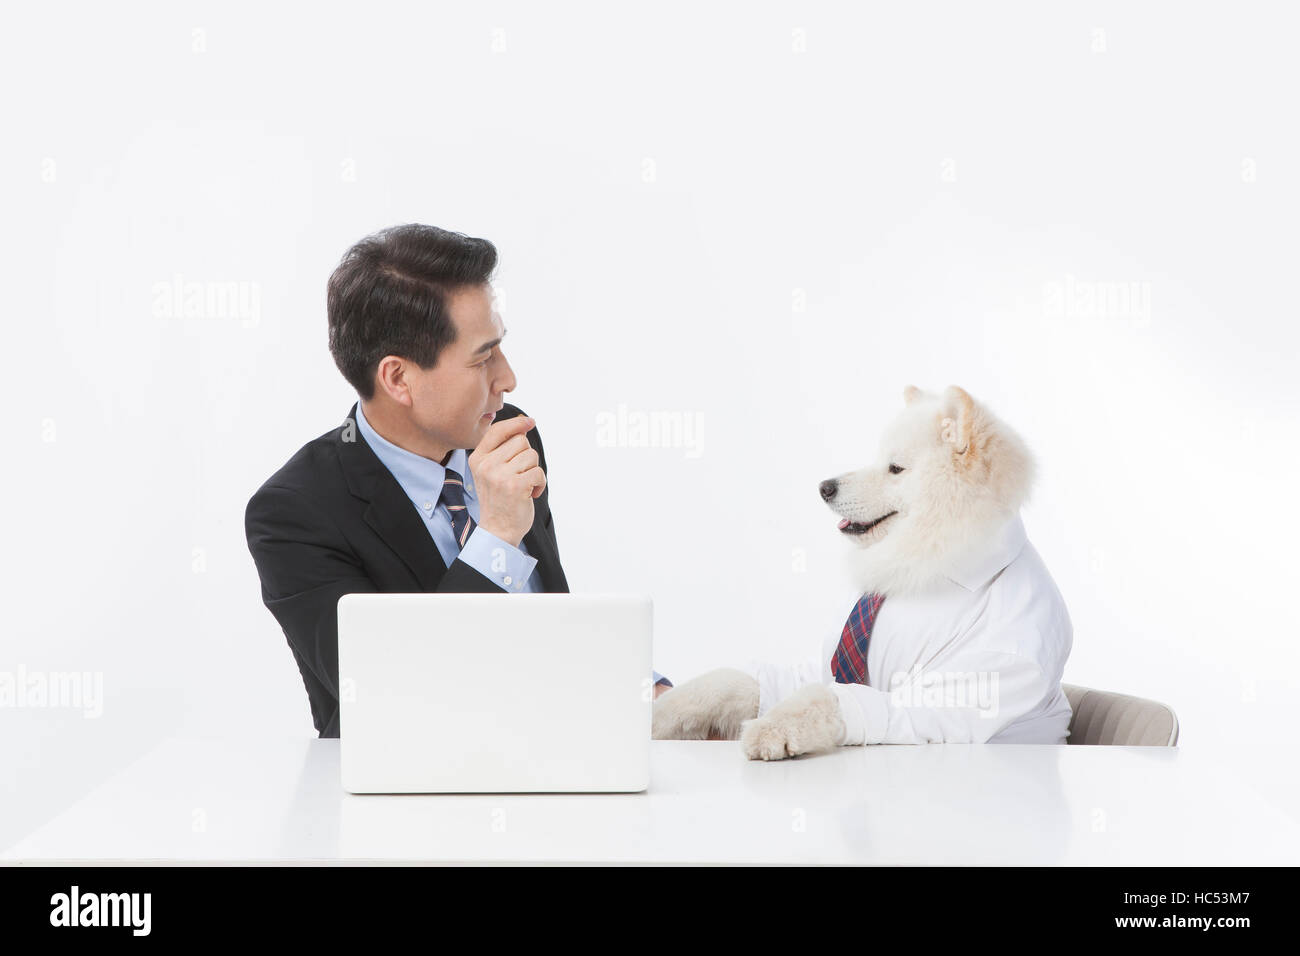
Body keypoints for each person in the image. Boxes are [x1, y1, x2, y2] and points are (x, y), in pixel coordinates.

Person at [245, 223, 672, 737]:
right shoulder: (295, 513)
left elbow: (542, 632)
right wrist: (495, 539)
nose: (507, 378)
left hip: (558, 761)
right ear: (399, 379)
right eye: (482, 357)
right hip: (411, 799)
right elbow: (393, 701)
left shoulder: (507, 437)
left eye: (501, 348)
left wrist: (644, 692)